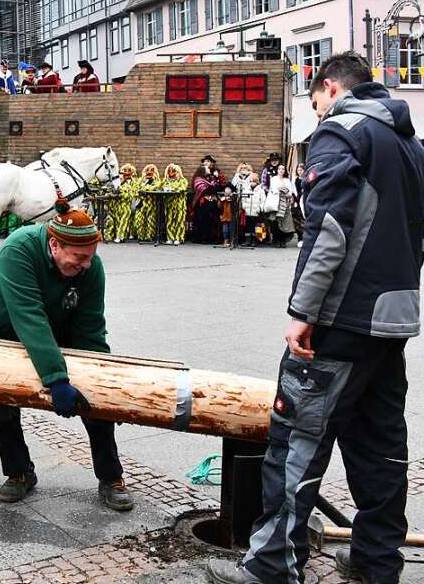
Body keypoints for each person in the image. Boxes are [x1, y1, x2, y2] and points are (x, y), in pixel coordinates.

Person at [208, 52, 424, 584]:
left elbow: (326, 231)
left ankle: (272, 565)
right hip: (391, 321)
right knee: (380, 449)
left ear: (330, 88)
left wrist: (303, 312)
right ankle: (377, 562)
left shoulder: (342, 134)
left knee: (296, 441)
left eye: (315, 100)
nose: (316, 111)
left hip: (337, 323)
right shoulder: (413, 147)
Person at [0, 202, 134, 510]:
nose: (86, 265)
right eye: (79, 258)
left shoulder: (90, 267)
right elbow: (28, 316)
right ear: (55, 245)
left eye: (90, 257)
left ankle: (111, 475)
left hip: (57, 321)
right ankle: (19, 471)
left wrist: (105, 385)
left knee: (91, 393)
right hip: (0, 322)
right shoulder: (18, 250)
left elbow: (91, 329)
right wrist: (56, 380)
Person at [189, 156, 225, 244]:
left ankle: (212, 238)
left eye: (208, 161)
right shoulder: (199, 177)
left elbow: (219, 187)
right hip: (202, 201)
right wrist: (212, 187)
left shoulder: (215, 175)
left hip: (213, 201)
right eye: (204, 162)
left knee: (213, 220)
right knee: (202, 220)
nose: (206, 163)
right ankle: (202, 237)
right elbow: (206, 188)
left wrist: (216, 181)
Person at [161, 163, 187, 245]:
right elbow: (159, 187)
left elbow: (182, 188)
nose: (171, 172)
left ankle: (178, 238)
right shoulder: (165, 180)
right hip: (169, 204)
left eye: (173, 171)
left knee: (179, 221)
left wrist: (173, 188)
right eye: (169, 171)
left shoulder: (183, 180)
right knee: (169, 221)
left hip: (179, 204)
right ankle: (170, 237)